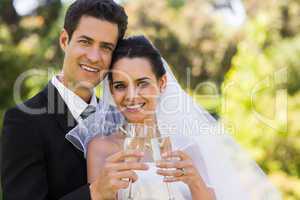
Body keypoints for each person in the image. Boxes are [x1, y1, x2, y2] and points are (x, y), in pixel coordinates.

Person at [66, 36, 281, 199]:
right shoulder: (101, 148)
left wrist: (195, 182)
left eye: (142, 83)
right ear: (111, 92)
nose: (131, 96)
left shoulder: (185, 146)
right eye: (120, 86)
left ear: (161, 84)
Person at [1, 0, 129, 199]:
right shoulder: (23, 122)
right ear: (64, 40)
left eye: (106, 47)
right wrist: (94, 193)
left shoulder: (120, 119)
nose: (94, 57)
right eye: (85, 42)